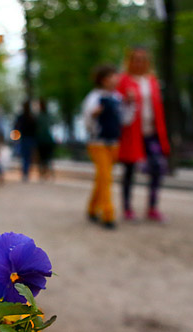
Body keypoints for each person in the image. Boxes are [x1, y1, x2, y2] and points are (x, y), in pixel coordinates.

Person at [117, 47, 171, 222]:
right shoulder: (123, 81)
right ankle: (127, 207)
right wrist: (127, 99)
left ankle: (152, 207)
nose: (139, 62)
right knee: (129, 171)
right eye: (136, 59)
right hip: (132, 134)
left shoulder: (152, 81)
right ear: (130, 61)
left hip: (151, 132)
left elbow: (158, 108)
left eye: (143, 59)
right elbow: (118, 106)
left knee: (157, 167)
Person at [82, 65, 129, 230]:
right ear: (103, 79)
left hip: (113, 143)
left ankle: (92, 208)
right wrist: (95, 114)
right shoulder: (94, 97)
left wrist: (130, 104)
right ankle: (108, 214)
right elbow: (87, 121)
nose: (115, 79)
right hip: (98, 143)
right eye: (111, 76)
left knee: (103, 178)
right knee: (106, 178)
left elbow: (125, 119)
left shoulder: (117, 98)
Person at [14, 101, 38, 181]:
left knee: (24, 157)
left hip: (24, 138)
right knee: (28, 157)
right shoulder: (32, 117)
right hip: (30, 139)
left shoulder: (21, 117)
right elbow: (35, 129)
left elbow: (16, 127)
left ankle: (25, 172)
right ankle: (26, 172)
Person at [36, 99, 56, 180]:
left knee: (41, 158)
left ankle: (42, 173)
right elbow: (52, 124)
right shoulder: (48, 115)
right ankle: (49, 173)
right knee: (48, 157)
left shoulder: (38, 116)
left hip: (41, 139)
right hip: (48, 139)